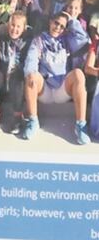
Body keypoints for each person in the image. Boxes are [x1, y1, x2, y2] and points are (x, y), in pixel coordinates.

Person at [20, 11, 90, 143]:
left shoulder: (67, 40)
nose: (58, 27)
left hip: (62, 89)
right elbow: (31, 60)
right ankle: (33, 121)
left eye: (62, 26)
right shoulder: (39, 40)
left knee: (78, 74)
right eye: (56, 23)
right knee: (31, 74)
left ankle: (80, 125)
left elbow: (83, 39)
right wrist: (31, 73)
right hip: (44, 90)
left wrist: (71, 20)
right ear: (50, 22)